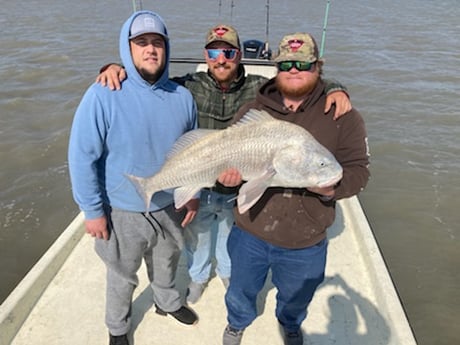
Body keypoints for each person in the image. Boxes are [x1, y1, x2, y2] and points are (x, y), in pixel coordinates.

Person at [96, 25, 353, 305]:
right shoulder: (186, 86)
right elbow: (149, 80)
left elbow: (296, 80)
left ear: (239, 54)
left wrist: (336, 88)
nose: (221, 58)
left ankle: (228, 274)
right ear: (206, 56)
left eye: (228, 51)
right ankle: (198, 276)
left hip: (234, 189)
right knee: (199, 238)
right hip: (199, 180)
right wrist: (115, 67)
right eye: (214, 51)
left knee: (231, 239)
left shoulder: (258, 87)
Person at [217, 32, 370, 345]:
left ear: (318, 67)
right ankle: (238, 322)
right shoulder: (251, 112)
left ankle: (289, 324)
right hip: (250, 230)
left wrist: (330, 190)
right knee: (240, 289)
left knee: (296, 296)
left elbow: (358, 171)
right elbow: (226, 160)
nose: (294, 69)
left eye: (303, 63)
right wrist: (225, 179)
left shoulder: (343, 115)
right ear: (276, 68)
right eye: (286, 63)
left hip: (306, 239)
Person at [68, 11, 200, 345]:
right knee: (121, 276)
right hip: (120, 210)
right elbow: (82, 157)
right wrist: (93, 210)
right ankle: (117, 327)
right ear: (127, 49)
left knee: (167, 262)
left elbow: (194, 155)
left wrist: (193, 192)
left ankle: (166, 302)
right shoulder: (103, 93)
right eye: (141, 43)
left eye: (157, 43)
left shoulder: (183, 97)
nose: (151, 50)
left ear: (167, 49)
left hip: (170, 204)